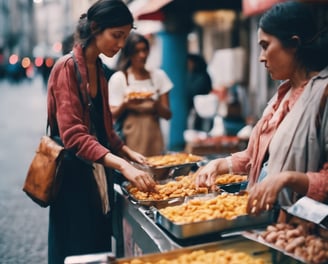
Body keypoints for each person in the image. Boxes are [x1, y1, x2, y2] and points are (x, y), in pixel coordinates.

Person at [46, 1, 156, 263]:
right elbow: (73, 135)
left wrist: (131, 154)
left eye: (124, 37)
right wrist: (122, 165)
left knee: (98, 246)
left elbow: (106, 131)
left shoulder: (102, 71)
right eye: (116, 35)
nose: (120, 44)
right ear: (95, 28)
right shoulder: (67, 68)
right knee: (76, 249)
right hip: (73, 180)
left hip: (97, 178)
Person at [195, 1, 328, 214]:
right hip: (262, 220)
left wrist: (289, 179)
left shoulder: (323, 94)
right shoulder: (282, 96)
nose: (261, 57)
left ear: (294, 44)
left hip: (297, 229)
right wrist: (218, 165)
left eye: (266, 46)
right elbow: (254, 158)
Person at [108, 32, 173, 156]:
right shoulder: (120, 78)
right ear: (128, 54)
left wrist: (155, 104)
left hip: (154, 136)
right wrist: (125, 104)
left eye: (144, 50)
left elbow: (168, 115)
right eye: (136, 51)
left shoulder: (158, 76)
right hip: (130, 137)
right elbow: (111, 114)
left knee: (157, 169)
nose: (142, 55)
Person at [186, 53, 213, 131]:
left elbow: (194, 91)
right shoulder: (190, 75)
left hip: (201, 110)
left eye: (190, 63)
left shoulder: (201, 76)